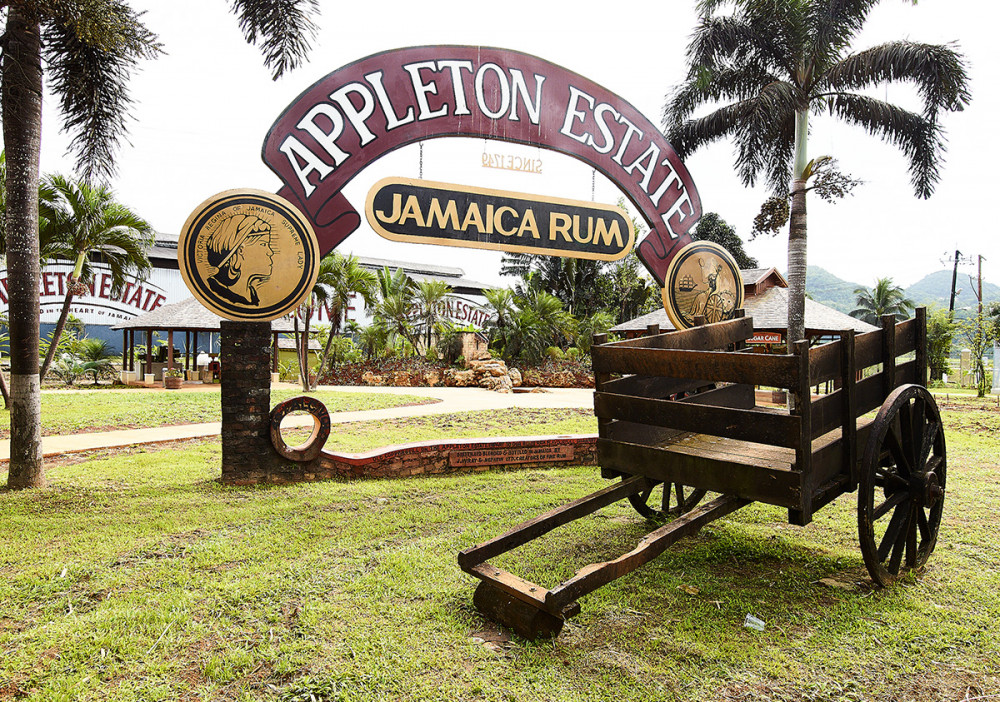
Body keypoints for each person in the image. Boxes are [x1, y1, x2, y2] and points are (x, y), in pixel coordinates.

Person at [205, 214, 274, 306]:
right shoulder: (217, 290)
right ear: (241, 250)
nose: (270, 252)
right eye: (263, 244)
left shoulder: (252, 296)